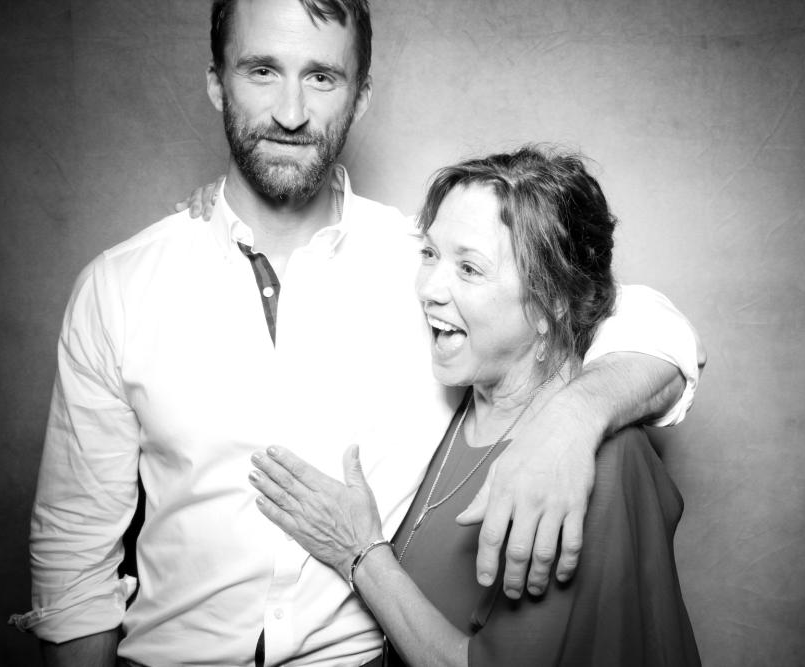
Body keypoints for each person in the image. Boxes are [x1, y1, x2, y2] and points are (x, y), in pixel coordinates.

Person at [12, 1, 703, 665]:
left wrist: (574, 418)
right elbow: (74, 554)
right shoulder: (121, 286)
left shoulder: (421, 265)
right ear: (218, 83)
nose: (290, 113)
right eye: (262, 70)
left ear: (360, 95)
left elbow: (636, 317)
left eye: (321, 76)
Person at [248, 145, 700, 666]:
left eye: (468, 268)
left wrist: (360, 553)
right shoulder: (452, 398)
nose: (428, 289)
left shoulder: (593, 467)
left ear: (552, 300)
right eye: (429, 254)